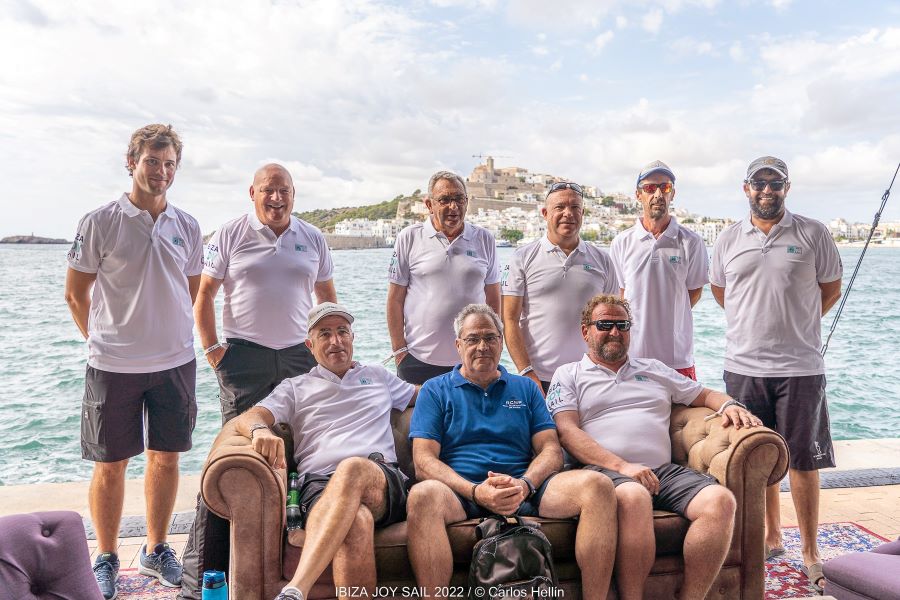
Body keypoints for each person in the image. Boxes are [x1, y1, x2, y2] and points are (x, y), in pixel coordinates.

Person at [179, 163, 337, 598]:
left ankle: (295, 570)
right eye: (268, 190)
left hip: (299, 360)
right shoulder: (230, 233)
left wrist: (328, 353)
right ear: (252, 193)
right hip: (244, 360)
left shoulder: (313, 238)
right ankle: (202, 581)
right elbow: (204, 295)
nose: (276, 198)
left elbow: (327, 300)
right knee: (231, 460)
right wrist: (214, 352)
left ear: (294, 193)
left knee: (302, 459)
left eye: (283, 190)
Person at [64, 124, 202, 599]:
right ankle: (104, 555)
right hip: (112, 366)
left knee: (165, 459)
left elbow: (190, 291)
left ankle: (156, 547)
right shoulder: (99, 221)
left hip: (175, 363)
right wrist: (104, 339)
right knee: (111, 464)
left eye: (169, 165)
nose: (161, 172)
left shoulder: (187, 226)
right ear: (132, 162)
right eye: (152, 162)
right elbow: (75, 293)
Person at [549, 294, 758, 600]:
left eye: (622, 325)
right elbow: (567, 432)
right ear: (585, 331)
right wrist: (623, 467)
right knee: (634, 495)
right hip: (604, 472)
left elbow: (703, 394)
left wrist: (729, 404)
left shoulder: (654, 369)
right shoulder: (568, 374)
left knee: (721, 502)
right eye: (604, 324)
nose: (615, 332)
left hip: (663, 471)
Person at [406, 304, 618, 600]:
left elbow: (550, 450)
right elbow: (424, 462)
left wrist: (525, 484)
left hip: (524, 488)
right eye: (472, 339)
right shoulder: (435, 390)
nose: (483, 347)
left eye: (491, 338)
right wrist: (476, 491)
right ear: (458, 345)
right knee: (422, 495)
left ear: (502, 341)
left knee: (598, 486)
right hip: (460, 493)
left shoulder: (525, 389)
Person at [710, 156, 843, 592]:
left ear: (787, 187)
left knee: (804, 460)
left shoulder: (813, 233)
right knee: (757, 458)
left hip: (801, 367)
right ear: (745, 188)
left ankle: (810, 552)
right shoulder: (728, 238)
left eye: (775, 182)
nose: (767, 189)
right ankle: (771, 536)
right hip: (744, 367)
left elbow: (830, 288)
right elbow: (719, 291)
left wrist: (797, 325)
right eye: (758, 182)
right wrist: (755, 324)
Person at [233, 302, 417, 600]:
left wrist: (474, 382)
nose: (336, 341)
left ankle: (297, 588)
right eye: (325, 334)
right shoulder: (295, 387)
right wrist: (259, 431)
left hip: (381, 479)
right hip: (318, 485)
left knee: (352, 468)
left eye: (342, 331)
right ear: (310, 344)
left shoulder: (379, 376)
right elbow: (249, 417)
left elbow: (429, 396)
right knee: (355, 521)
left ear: (352, 338)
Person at [502, 181, 618, 393]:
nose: (568, 213)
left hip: (589, 375)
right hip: (537, 378)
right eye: (560, 207)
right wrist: (526, 372)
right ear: (545, 213)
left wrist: (609, 368)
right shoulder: (522, 257)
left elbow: (613, 321)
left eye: (575, 208)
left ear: (582, 213)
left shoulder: (603, 259)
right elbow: (509, 319)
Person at [387, 171, 500, 384]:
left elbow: (493, 298)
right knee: (418, 418)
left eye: (459, 199)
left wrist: (494, 347)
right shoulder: (409, 238)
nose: (453, 206)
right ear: (429, 205)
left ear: (467, 202)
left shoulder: (484, 239)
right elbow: (395, 299)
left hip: (473, 359)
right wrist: (399, 351)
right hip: (417, 359)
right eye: (444, 200)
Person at [610, 161, 708, 379]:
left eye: (664, 187)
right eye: (649, 188)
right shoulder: (622, 242)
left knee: (682, 413)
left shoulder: (691, 242)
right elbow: (621, 295)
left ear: (672, 193)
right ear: (638, 195)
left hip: (677, 357)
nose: (657, 194)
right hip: (632, 356)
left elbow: (694, 292)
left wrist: (669, 315)